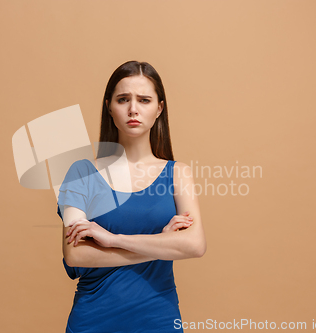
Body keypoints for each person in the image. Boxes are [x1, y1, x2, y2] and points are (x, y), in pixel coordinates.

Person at [56, 60, 206, 333]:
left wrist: (113, 240)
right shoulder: (81, 173)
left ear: (159, 108)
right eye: (123, 99)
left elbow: (195, 246)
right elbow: (75, 254)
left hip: (159, 320)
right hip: (93, 321)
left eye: (144, 100)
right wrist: (161, 243)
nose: (133, 109)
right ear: (109, 107)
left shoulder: (178, 174)